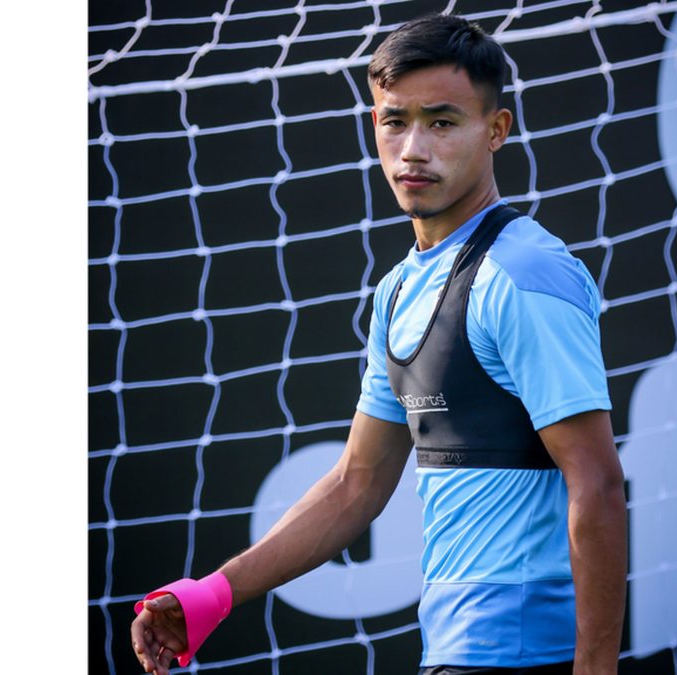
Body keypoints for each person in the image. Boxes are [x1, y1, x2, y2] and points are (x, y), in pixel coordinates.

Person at [132, 14, 627, 675]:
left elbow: (596, 482)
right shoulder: (398, 290)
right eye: (396, 121)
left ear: (496, 130)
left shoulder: (523, 272)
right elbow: (356, 482)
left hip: (528, 656)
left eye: (442, 122)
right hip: (452, 651)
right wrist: (213, 594)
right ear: (374, 126)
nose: (413, 149)